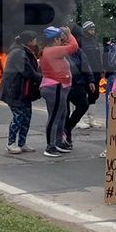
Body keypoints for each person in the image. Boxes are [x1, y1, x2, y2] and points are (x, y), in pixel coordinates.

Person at [0, 31, 41, 154]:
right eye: (34, 39)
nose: (36, 42)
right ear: (29, 41)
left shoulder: (24, 51)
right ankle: (11, 143)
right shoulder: (18, 53)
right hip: (13, 90)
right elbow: (28, 72)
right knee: (19, 116)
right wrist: (45, 78)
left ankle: (22, 143)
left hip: (23, 91)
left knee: (27, 116)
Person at [39, 26, 79, 157]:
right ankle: (50, 146)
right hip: (54, 87)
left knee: (61, 116)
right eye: (60, 38)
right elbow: (73, 46)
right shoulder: (52, 50)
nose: (62, 40)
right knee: (54, 118)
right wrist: (69, 34)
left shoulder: (52, 50)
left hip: (59, 87)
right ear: (54, 39)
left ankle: (58, 142)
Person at [64, 23, 98, 145]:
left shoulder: (77, 50)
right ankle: (63, 138)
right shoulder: (58, 50)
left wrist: (90, 80)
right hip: (62, 85)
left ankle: (67, 128)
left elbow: (85, 64)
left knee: (83, 105)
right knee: (64, 112)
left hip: (78, 84)